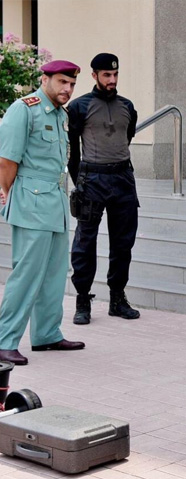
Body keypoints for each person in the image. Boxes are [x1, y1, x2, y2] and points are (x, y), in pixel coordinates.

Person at [0, 60, 86, 365]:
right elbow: (7, 161)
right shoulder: (24, 109)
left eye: (72, 84)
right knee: (26, 275)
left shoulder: (60, 114)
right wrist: (10, 196)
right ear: (45, 79)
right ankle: (5, 340)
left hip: (54, 202)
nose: (68, 89)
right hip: (30, 201)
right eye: (62, 82)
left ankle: (47, 334)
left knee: (54, 274)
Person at [68, 53, 141, 325]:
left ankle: (117, 299)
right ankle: (83, 299)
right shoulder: (79, 106)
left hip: (122, 178)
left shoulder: (127, 106)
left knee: (123, 242)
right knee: (85, 242)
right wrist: (81, 183)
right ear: (95, 75)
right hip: (92, 178)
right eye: (106, 75)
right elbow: (73, 151)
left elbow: (127, 137)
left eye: (115, 74)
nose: (112, 79)